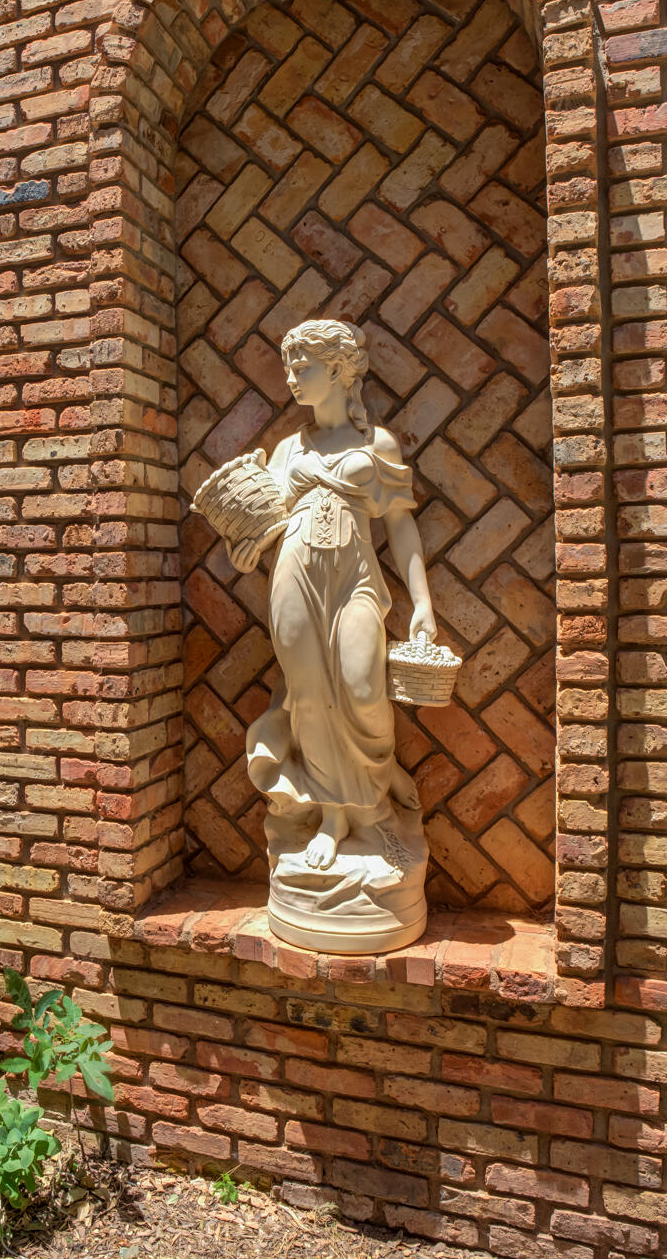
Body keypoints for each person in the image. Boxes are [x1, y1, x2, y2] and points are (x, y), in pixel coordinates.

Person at [227, 319, 436, 950]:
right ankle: (337, 819)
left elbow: (399, 528)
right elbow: (259, 525)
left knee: (362, 685)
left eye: (303, 364)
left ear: (341, 371)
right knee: (309, 697)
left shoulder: (380, 446)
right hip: (293, 578)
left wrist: (423, 604)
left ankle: (377, 798)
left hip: (355, 583)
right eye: (289, 365)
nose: (292, 376)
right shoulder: (288, 450)